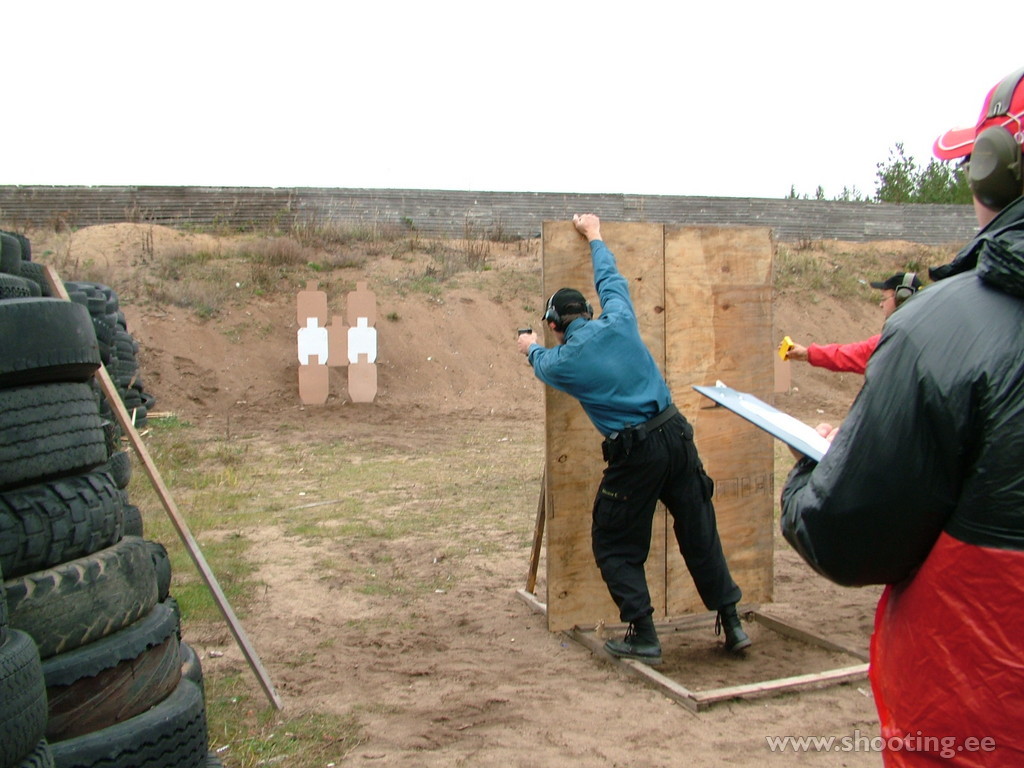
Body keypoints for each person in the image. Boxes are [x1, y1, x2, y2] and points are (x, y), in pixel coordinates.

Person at [780, 66, 1024, 765]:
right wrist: (805, 350)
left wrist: (816, 466)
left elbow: (847, 535)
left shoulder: (933, 330)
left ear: (995, 171)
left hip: (980, 718)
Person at [516, 213, 750, 665]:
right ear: (587, 312)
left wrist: (528, 345)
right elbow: (610, 277)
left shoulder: (565, 359)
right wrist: (595, 236)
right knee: (701, 532)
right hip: (677, 434)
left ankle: (643, 634)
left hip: (637, 454)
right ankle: (732, 621)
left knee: (614, 542)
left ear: (554, 324)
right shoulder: (620, 317)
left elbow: (542, 363)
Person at [783, 272, 922, 374]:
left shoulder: (895, 341)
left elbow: (852, 355)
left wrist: (808, 354)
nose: (881, 304)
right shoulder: (933, 333)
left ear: (903, 298)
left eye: (884, 298)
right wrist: (809, 354)